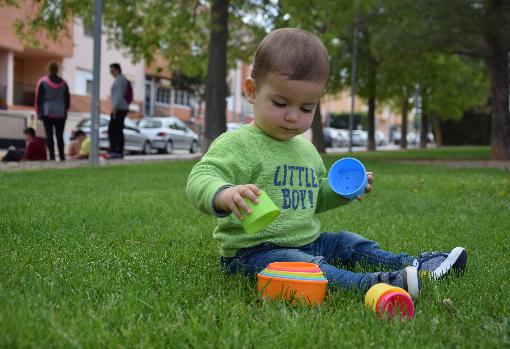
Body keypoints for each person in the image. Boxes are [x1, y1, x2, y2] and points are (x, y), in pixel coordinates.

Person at [187, 28, 467, 298]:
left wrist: (341, 191)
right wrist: (225, 194)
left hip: (309, 240)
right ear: (252, 91)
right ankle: (371, 284)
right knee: (308, 269)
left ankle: (417, 265)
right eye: (281, 103)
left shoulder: (306, 150)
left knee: (349, 242)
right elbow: (202, 175)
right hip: (253, 252)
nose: (293, 116)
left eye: (306, 108)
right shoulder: (238, 143)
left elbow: (313, 198)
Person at [35, 62, 70, 161]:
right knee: (60, 135)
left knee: (49, 135)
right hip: (61, 112)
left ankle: (52, 157)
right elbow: (67, 99)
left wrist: (38, 112)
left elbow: (38, 99)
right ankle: (62, 156)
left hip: (47, 112)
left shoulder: (42, 82)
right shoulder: (64, 83)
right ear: (57, 70)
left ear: (48, 69)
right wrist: (65, 110)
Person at [108, 63, 130, 159]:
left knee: (113, 130)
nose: (111, 72)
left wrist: (114, 108)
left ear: (117, 70)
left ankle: (116, 151)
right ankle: (118, 151)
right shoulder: (120, 80)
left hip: (119, 108)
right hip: (121, 108)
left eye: (112, 70)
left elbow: (118, 95)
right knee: (117, 130)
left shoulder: (120, 80)